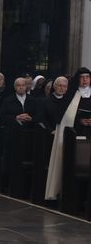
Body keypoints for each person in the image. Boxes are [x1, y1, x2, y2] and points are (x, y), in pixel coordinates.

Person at [45, 69, 91, 200]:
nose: (85, 80)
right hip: (75, 134)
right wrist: (79, 120)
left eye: (87, 77)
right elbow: (63, 116)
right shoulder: (70, 94)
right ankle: (71, 197)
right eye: (82, 77)